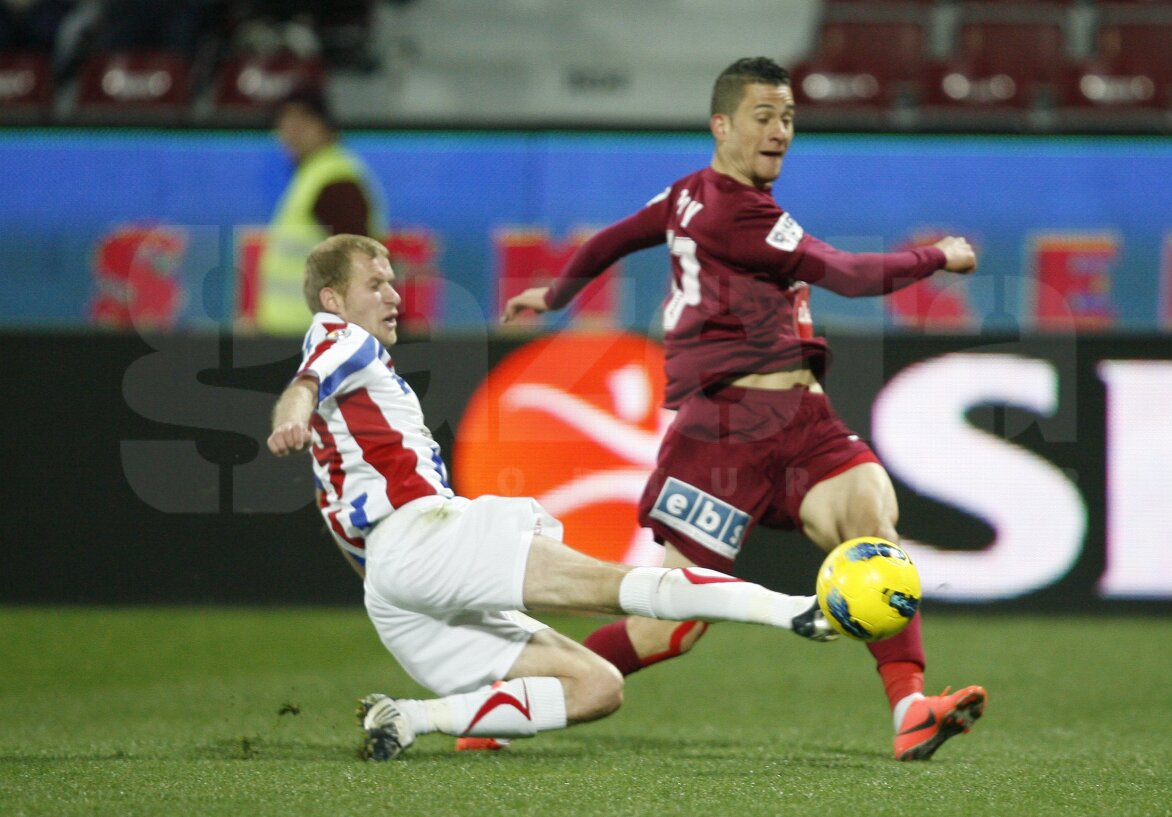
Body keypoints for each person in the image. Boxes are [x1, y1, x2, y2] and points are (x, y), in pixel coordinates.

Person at [504, 56, 987, 762]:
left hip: (803, 424)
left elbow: (614, 237)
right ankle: (506, 696)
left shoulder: (689, 195)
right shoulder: (738, 214)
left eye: (788, 117)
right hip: (724, 436)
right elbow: (850, 275)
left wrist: (555, 292)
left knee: (871, 527)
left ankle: (911, 707)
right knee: (667, 627)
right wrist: (936, 256)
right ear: (721, 124)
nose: (781, 131)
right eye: (764, 116)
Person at [267, 233, 839, 759]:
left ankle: (411, 718)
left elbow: (342, 518)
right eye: (375, 284)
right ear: (333, 299)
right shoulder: (341, 339)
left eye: (393, 280)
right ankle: (796, 610)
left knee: (596, 686)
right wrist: (291, 415)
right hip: (424, 539)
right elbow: (306, 383)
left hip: (393, 586)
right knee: (631, 589)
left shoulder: (352, 402)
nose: (393, 294)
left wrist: (390, 584)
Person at [255, 84, 387, 336]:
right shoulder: (311, 178)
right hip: (299, 338)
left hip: (321, 342)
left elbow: (361, 265)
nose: (291, 131)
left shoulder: (334, 182)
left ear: (325, 126)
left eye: (303, 120)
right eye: (285, 120)